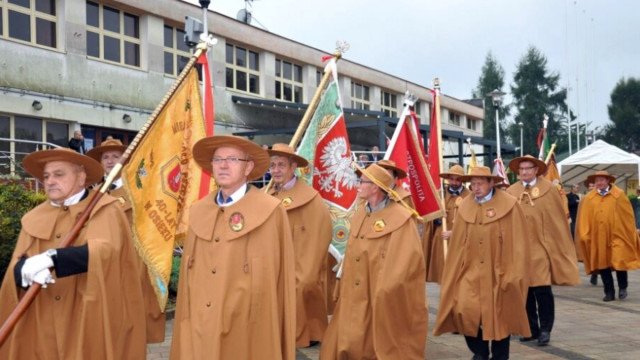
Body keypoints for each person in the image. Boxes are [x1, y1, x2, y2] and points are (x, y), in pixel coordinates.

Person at [0, 147, 146, 359]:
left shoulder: (105, 208)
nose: (50, 181)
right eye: (47, 176)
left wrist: (52, 258)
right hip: (44, 322)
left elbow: (105, 250)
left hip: (88, 318)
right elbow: (16, 265)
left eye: (59, 174)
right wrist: (23, 271)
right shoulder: (34, 217)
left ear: (81, 177)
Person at [170, 135, 295, 360]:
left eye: (232, 159)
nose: (223, 165)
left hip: (246, 324)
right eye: (218, 160)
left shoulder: (270, 211)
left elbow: (279, 280)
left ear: (248, 167)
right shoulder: (198, 211)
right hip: (201, 322)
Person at [320, 164, 427, 360]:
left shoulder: (402, 219)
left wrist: (383, 289)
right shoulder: (361, 213)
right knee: (348, 340)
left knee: (379, 342)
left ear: (376, 187)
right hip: (354, 292)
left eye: (362, 182)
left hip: (379, 294)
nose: (357, 186)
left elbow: (406, 262)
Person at [434, 166, 530, 360]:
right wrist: (453, 273)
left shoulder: (509, 205)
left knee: (499, 319)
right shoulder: (465, 206)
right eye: (473, 184)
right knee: (464, 310)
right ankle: (480, 351)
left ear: (491, 183)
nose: (475, 188)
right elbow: (458, 244)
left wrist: (514, 272)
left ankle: (499, 356)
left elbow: (519, 242)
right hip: (470, 272)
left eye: (479, 184)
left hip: (499, 272)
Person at [86, 138, 166, 343]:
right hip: (102, 262)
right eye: (106, 157)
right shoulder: (93, 194)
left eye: (116, 156)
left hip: (134, 261)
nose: (111, 161)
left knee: (133, 322)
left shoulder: (141, 191)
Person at [506, 155, 580, 346]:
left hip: (541, 248)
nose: (524, 172)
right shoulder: (511, 191)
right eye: (521, 169)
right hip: (519, 249)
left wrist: (556, 246)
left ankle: (546, 329)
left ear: (536, 169)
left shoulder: (549, 190)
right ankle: (531, 329)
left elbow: (557, 221)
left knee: (542, 290)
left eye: (528, 168)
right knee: (525, 291)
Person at [267, 143, 332, 348]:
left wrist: (308, 266)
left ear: (292, 167)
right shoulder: (267, 196)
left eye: (281, 165)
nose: (275, 170)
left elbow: (319, 233)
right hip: (275, 259)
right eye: (272, 165)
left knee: (304, 284)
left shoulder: (310, 198)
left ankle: (309, 332)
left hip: (303, 258)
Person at [576, 170, 640, 302]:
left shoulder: (619, 195)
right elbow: (584, 218)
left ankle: (623, 287)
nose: (599, 182)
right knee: (603, 265)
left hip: (617, 235)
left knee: (619, 261)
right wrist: (585, 234)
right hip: (598, 237)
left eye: (602, 180)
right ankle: (609, 292)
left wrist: (629, 231)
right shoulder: (589, 198)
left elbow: (627, 216)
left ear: (608, 181)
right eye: (597, 180)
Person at [424, 164, 470, 283]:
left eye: (457, 179)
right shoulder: (440, 194)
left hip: (459, 238)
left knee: (457, 272)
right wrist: (437, 218)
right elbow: (429, 217)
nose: (454, 182)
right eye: (452, 179)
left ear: (462, 181)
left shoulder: (469, 196)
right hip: (441, 237)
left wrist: (455, 232)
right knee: (441, 271)